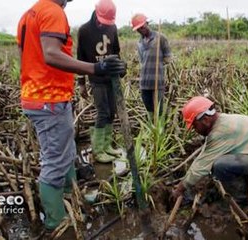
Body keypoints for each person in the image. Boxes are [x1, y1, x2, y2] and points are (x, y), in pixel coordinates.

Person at [16, 0, 125, 232]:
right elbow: (51, 55)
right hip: (48, 99)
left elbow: (26, 56)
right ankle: (57, 221)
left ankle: (71, 197)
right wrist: (95, 69)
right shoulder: (52, 11)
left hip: (43, 97)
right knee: (55, 161)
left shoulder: (29, 14)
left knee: (67, 151)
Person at [172, 96, 248, 203]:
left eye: (194, 125)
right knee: (221, 162)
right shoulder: (223, 121)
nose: (195, 130)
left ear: (205, 120)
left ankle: (240, 199)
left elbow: (202, 165)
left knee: (220, 165)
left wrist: (180, 189)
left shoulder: (220, 132)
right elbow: (204, 158)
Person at [76, 0, 123, 163]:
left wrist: (120, 68)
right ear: (96, 13)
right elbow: (80, 57)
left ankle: (107, 146)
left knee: (112, 111)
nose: (104, 25)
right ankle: (97, 150)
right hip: (96, 78)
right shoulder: (84, 30)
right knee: (102, 112)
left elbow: (116, 51)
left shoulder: (113, 28)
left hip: (111, 77)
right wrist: (81, 83)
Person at [131, 13, 172, 119]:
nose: (141, 30)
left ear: (147, 23)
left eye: (142, 27)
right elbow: (142, 62)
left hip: (157, 82)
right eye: (138, 29)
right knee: (149, 110)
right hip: (144, 82)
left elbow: (168, 59)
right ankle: (151, 132)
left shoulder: (160, 38)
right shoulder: (139, 43)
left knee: (159, 111)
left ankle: (160, 132)